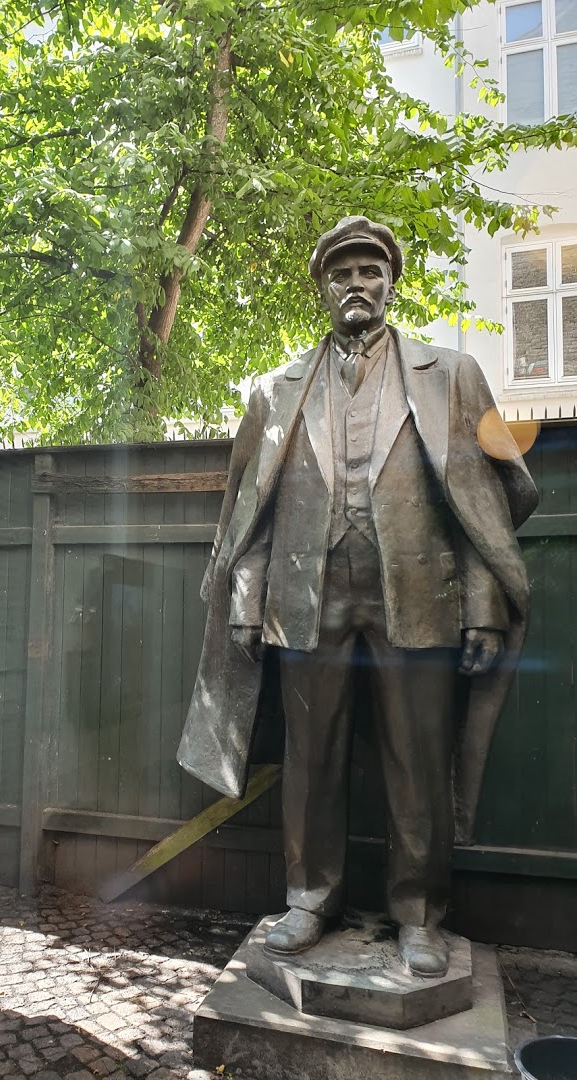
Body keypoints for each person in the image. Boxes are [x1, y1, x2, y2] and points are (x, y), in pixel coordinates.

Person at [177, 216, 538, 977]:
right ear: (322, 288)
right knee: (310, 758)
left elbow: (482, 505)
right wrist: (246, 599)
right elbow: (252, 509)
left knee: (419, 760)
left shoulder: (451, 374)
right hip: (305, 598)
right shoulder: (276, 391)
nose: (357, 284)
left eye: (371, 271)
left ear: (391, 283)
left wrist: (482, 606)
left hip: (420, 595)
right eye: (341, 273)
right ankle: (309, 899)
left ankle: (420, 916)